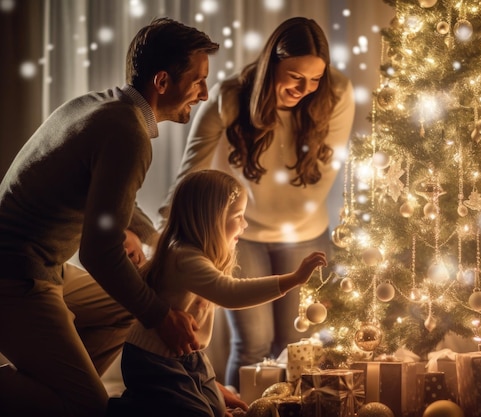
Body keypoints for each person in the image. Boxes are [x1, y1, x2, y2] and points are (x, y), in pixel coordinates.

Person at [0, 17, 219, 417]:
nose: (204, 93)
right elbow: (99, 253)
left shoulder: (104, 107)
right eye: (198, 80)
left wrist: (157, 242)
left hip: (40, 266)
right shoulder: (128, 134)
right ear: (163, 81)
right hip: (16, 275)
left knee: (126, 308)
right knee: (89, 406)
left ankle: (55, 386)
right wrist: (160, 317)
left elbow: (114, 197)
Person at [158, 16, 356, 391]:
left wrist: (292, 227)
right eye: (296, 76)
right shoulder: (229, 96)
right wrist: (164, 233)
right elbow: (191, 170)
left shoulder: (337, 93)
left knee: (297, 348)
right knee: (253, 344)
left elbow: (325, 174)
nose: (306, 88)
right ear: (272, 63)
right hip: (242, 232)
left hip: (306, 232)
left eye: (315, 78)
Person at [112, 169, 327, 417]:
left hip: (189, 356)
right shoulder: (184, 257)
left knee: (216, 408)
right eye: (238, 216)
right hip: (156, 360)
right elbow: (230, 293)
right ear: (211, 219)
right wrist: (295, 279)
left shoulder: (195, 255)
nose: (244, 225)